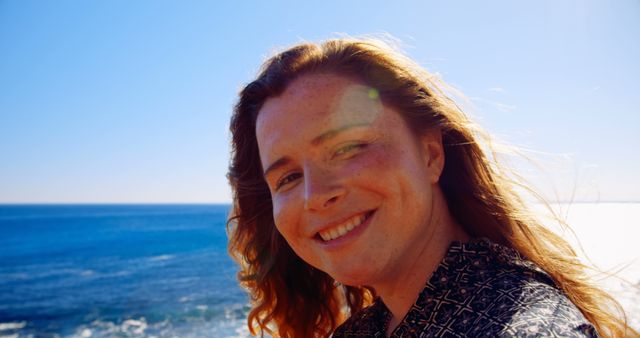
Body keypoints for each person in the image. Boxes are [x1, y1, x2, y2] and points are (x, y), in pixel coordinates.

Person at [227, 38, 637, 337]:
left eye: (348, 148)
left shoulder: (525, 328)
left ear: (430, 154)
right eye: (288, 177)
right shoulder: (373, 327)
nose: (314, 194)